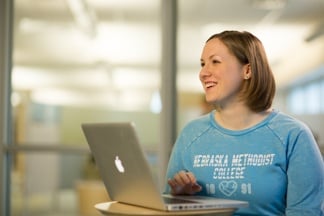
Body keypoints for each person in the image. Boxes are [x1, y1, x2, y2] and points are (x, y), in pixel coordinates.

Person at [165, 30, 324, 215]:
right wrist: (179, 197)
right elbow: (166, 205)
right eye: (202, 64)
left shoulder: (293, 135)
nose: (203, 73)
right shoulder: (191, 133)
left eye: (215, 61)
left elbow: (305, 212)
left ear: (247, 70)